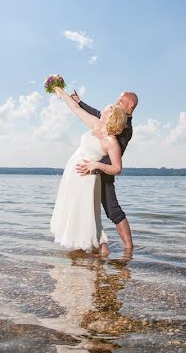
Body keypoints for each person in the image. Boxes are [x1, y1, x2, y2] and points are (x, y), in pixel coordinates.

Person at [50, 88, 127, 255]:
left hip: (87, 178)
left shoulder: (111, 142)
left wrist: (97, 165)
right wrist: (61, 92)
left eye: (106, 111)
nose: (102, 112)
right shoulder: (95, 124)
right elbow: (76, 109)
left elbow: (117, 168)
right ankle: (82, 249)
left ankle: (102, 248)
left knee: (88, 214)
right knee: (75, 210)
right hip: (73, 174)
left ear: (111, 117)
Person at [72, 91, 138, 252]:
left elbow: (114, 156)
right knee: (87, 208)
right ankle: (96, 245)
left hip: (103, 173)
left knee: (113, 211)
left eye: (121, 100)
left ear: (131, 105)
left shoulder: (125, 126)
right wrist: (80, 102)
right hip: (93, 170)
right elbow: (98, 114)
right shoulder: (114, 115)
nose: (118, 101)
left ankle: (128, 249)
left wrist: (96, 167)